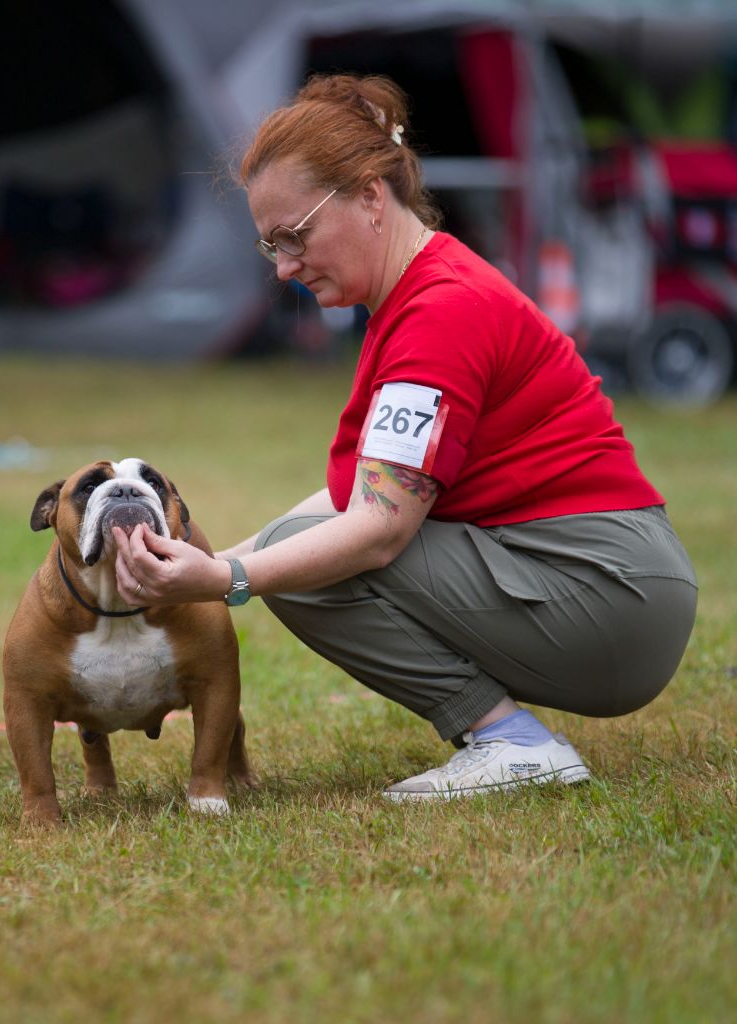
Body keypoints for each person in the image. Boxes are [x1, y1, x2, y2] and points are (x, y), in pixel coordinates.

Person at [113, 74, 697, 800]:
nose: (286, 267)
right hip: (614, 584)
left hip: (613, 596)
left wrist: (229, 580)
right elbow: (355, 495)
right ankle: (506, 736)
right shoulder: (421, 291)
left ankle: (509, 743)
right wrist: (197, 571)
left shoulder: (439, 312)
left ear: (368, 196)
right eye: (270, 246)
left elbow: (377, 531)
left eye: (295, 236)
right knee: (290, 549)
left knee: (304, 570)